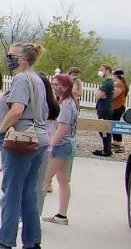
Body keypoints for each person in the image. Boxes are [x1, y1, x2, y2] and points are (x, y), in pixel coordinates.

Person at [0, 42, 50, 249]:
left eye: (11, 56)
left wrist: (0, 130)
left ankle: (6, 240)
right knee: (28, 191)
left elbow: (16, 110)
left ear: (23, 59)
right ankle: (32, 241)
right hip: (39, 138)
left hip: (21, 141)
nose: (8, 59)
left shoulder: (21, 79)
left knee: (12, 191)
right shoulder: (38, 79)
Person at [41, 73, 79, 226]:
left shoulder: (66, 104)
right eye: (54, 84)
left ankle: (31, 216)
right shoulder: (71, 102)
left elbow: (63, 128)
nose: (55, 87)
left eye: (58, 85)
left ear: (66, 87)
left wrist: (50, 146)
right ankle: (62, 215)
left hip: (61, 146)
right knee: (62, 180)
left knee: (43, 180)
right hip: (68, 144)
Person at [93, 65, 115, 157]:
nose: (100, 71)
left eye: (101, 70)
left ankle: (106, 150)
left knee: (104, 129)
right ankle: (106, 149)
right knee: (104, 129)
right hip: (105, 108)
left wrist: (97, 92)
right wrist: (98, 92)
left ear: (107, 70)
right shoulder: (109, 82)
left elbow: (98, 95)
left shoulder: (108, 83)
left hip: (104, 109)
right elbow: (100, 94)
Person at [112, 69, 129, 153]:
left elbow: (114, 95)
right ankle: (116, 142)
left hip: (118, 107)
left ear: (116, 76)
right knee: (114, 124)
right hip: (117, 106)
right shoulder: (121, 84)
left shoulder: (119, 84)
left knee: (115, 124)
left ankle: (119, 144)